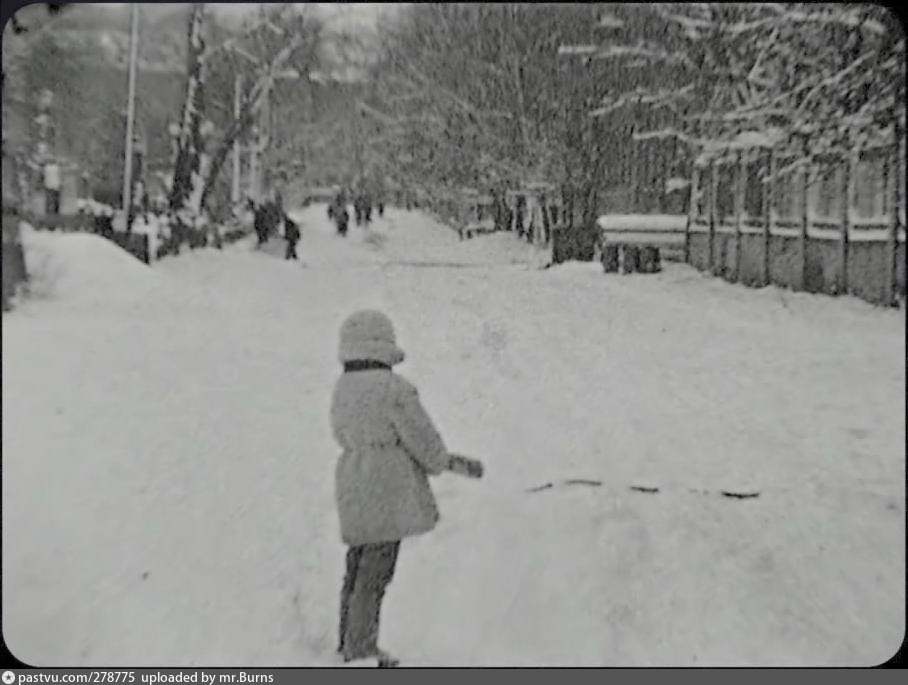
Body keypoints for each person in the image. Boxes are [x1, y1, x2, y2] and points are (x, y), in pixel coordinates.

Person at [330, 311, 482, 666]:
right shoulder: (394, 388)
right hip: (387, 485)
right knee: (377, 571)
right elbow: (422, 439)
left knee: (356, 565)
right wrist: (447, 462)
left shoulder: (343, 386)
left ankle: (347, 638)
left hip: (352, 476)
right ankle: (362, 648)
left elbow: (338, 432)